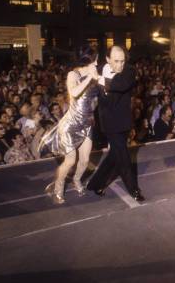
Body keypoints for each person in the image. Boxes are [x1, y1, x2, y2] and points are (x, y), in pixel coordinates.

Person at [39, 46, 99, 204]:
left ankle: (76, 180)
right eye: (96, 59)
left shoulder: (95, 75)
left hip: (87, 124)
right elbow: (74, 93)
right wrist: (89, 77)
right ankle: (58, 187)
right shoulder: (74, 74)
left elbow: (105, 91)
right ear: (89, 60)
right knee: (70, 160)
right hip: (71, 124)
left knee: (85, 160)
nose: (97, 62)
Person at [86, 46, 144, 202]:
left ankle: (95, 184)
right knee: (124, 157)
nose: (120, 65)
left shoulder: (129, 71)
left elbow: (120, 85)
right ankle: (134, 190)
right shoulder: (97, 70)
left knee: (114, 156)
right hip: (108, 123)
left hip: (123, 121)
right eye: (116, 61)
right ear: (108, 60)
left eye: (122, 61)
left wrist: (98, 79)